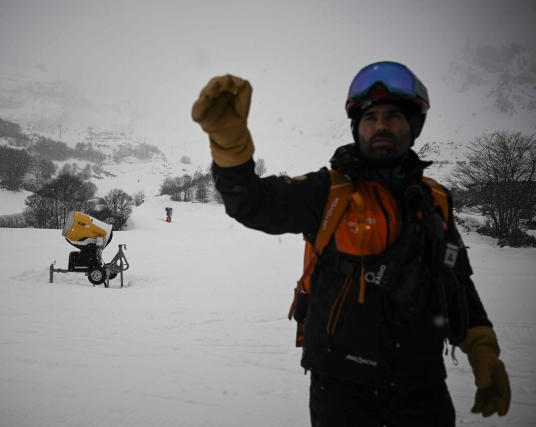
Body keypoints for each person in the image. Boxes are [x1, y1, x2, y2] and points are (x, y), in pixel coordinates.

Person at [191, 62, 510, 426]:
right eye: (370, 117)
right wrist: (230, 146)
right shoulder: (329, 192)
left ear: (414, 125)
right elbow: (251, 203)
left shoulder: (435, 199)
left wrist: (483, 350)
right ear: (357, 127)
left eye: (393, 115)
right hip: (343, 393)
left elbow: (457, 281)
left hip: (424, 387)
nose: (381, 125)